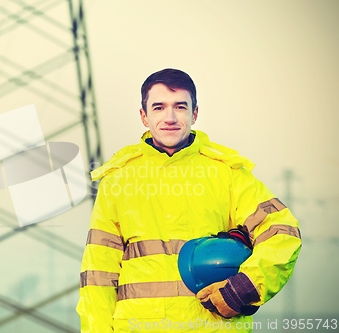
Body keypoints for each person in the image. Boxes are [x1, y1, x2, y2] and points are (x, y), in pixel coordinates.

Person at [76, 68, 301, 332]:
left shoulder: (228, 174)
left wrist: (247, 285)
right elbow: (98, 274)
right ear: (143, 116)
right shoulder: (117, 180)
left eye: (180, 107)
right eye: (158, 108)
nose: (170, 117)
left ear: (194, 113)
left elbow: (282, 232)